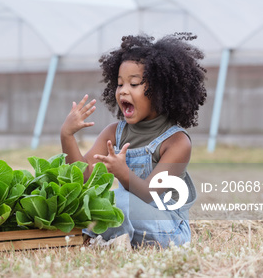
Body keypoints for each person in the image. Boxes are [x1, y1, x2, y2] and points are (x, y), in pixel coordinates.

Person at [60, 33, 206, 248]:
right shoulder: (113, 133)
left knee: (117, 201)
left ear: (161, 91)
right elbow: (83, 180)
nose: (123, 91)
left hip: (166, 228)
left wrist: (122, 173)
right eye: (120, 84)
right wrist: (67, 136)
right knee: (88, 200)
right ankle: (114, 239)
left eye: (134, 83)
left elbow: (149, 195)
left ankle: (105, 239)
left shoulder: (176, 142)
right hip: (128, 215)